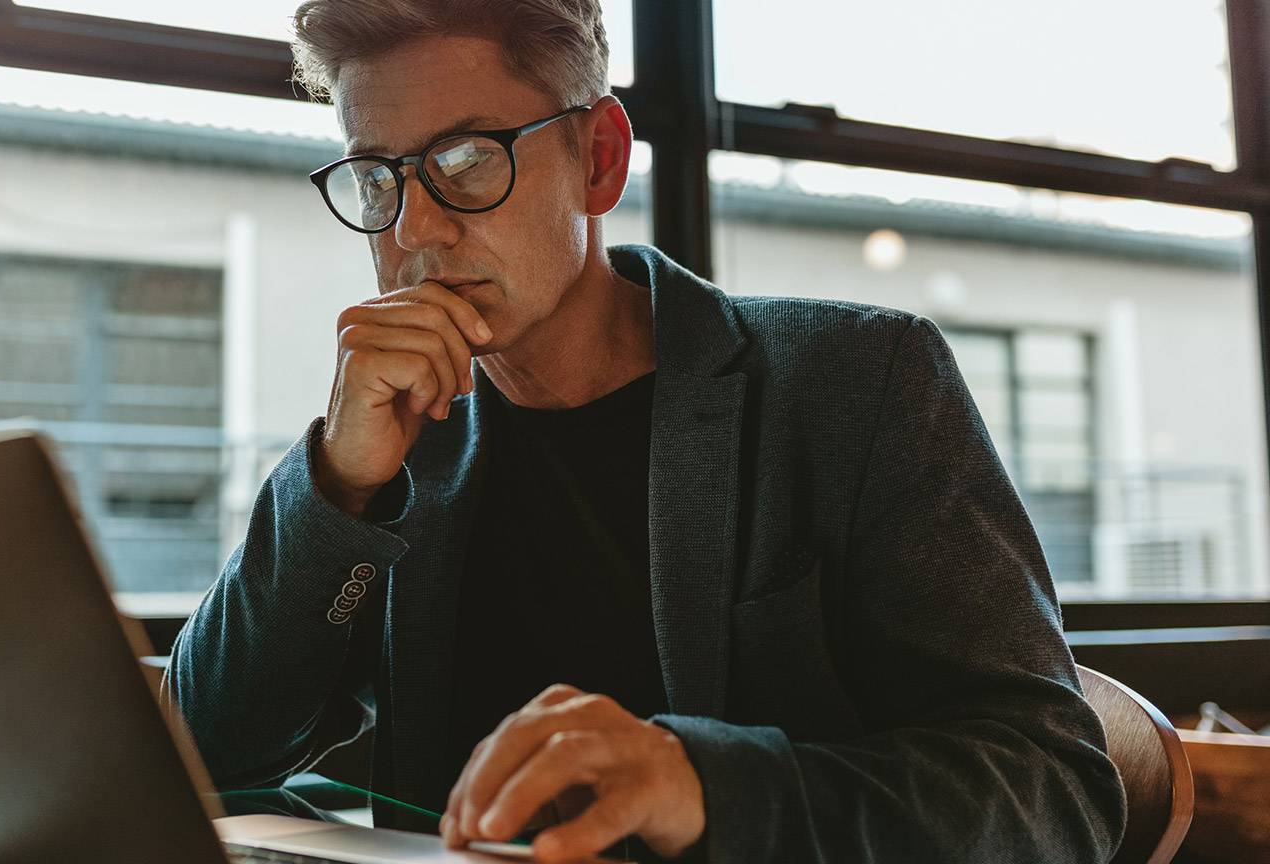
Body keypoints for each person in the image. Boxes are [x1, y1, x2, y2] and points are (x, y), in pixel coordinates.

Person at [164, 1, 1126, 861]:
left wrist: (703, 785)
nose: (415, 227)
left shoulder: (858, 381)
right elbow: (198, 754)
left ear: (599, 158)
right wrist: (338, 484)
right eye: (379, 178)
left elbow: (1055, 790)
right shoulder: (401, 440)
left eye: (464, 163)